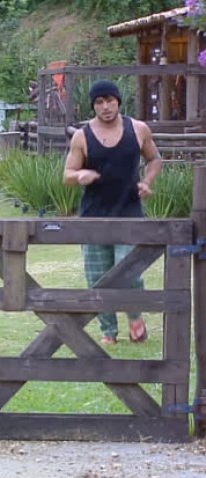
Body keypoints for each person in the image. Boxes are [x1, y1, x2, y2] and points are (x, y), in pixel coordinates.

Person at [63, 79, 162, 345]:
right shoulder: (82, 136)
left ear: (118, 101)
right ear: (93, 106)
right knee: (98, 277)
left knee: (128, 271)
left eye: (109, 100)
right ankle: (108, 332)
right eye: (99, 102)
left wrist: (146, 182)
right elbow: (67, 174)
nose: (105, 107)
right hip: (94, 216)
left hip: (129, 212)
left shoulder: (138, 129)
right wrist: (80, 174)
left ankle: (135, 317)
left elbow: (154, 159)